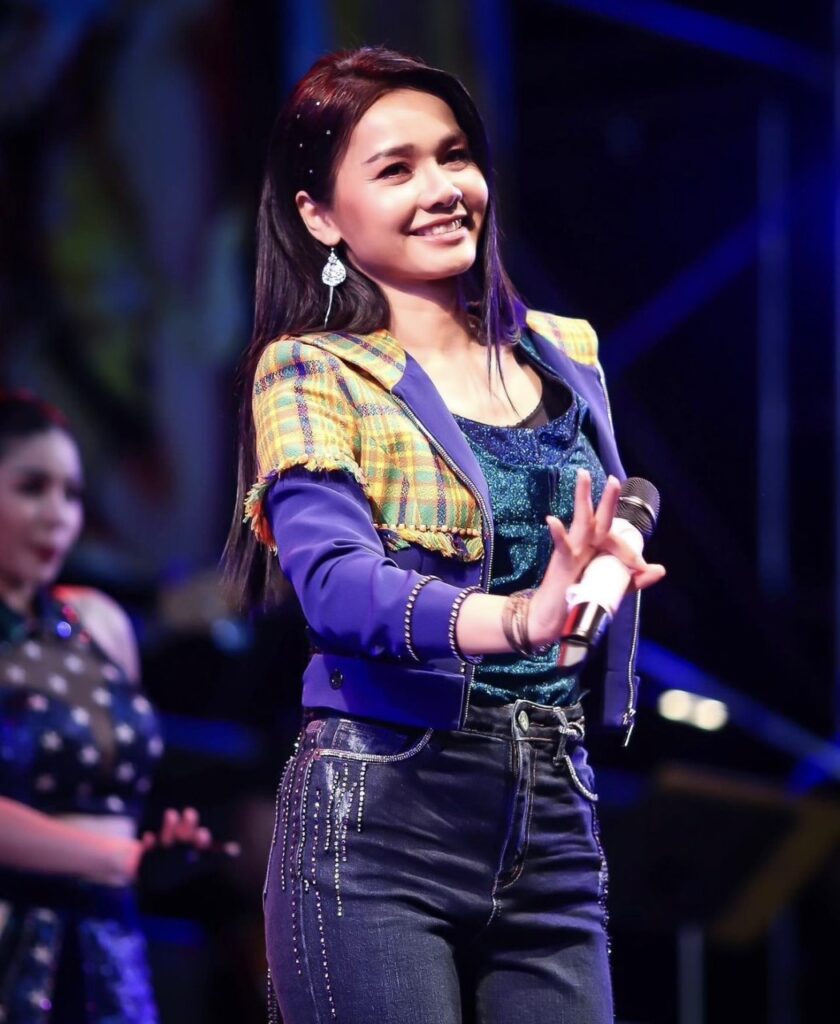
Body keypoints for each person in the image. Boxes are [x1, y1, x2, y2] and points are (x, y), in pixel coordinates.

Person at [226, 46, 665, 1024]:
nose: (441, 189)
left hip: (554, 803)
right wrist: (516, 618)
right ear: (320, 216)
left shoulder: (567, 351)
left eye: (454, 155)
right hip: (381, 808)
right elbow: (336, 586)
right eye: (396, 168)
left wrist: (603, 566)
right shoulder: (309, 369)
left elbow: (587, 547)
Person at [0, 391, 229, 1023]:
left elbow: (124, 805)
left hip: (109, 948)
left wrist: (162, 852)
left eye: (73, 494)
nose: (59, 515)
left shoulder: (99, 623)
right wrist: (122, 859)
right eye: (33, 488)